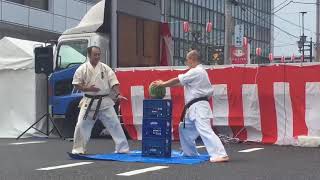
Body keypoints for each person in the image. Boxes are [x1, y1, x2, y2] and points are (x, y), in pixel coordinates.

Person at [153, 50, 229, 163]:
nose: (186, 62)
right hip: (192, 107)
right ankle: (190, 152)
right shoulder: (197, 72)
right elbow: (180, 83)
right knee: (184, 128)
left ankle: (220, 154)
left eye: (187, 60)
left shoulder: (196, 71)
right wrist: (164, 84)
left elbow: (177, 79)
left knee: (205, 130)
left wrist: (162, 84)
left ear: (192, 59)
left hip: (199, 106)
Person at [71, 46, 129, 154]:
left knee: (115, 124)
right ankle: (78, 149)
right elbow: (76, 84)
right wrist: (88, 89)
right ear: (89, 55)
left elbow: (114, 82)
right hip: (89, 102)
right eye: (95, 54)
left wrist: (118, 93)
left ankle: (122, 148)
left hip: (104, 101)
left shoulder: (105, 68)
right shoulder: (82, 69)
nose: (97, 57)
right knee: (81, 125)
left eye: (99, 54)